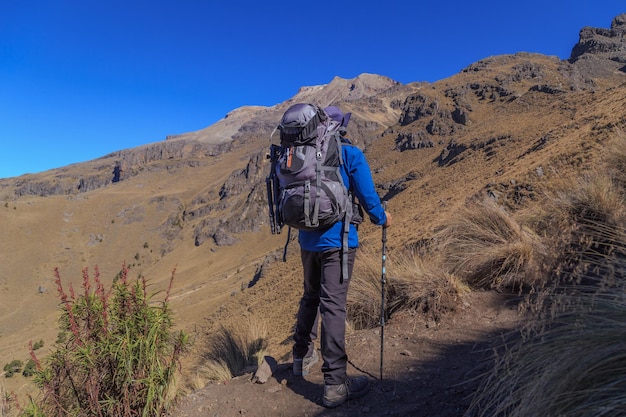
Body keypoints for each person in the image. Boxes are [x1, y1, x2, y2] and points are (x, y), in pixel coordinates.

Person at [291, 105, 392, 408]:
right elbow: (368, 196)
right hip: (339, 241)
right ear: (339, 127)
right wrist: (382, 217)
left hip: (307, 240)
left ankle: (300, 357)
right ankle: (335, 384)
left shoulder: (299, 154)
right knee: (333, 306)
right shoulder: (350, 154)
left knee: (310, 296)